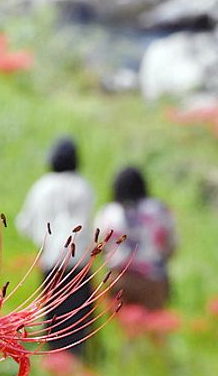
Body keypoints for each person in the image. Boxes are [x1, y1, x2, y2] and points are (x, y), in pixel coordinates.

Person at [16, 137, 96, 356]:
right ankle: (76, 364)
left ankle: (55, 365)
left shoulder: (41, 187)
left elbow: (24, 224)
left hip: (50, 263)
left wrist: (44, 240)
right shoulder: (83, 186)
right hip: (78, 266)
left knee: (53, 322)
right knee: (77, 323)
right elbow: (89, 228)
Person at [95, 166, 176, 311]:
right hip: (152, 282)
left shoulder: (108, 213)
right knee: (151, 329)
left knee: (120, 329)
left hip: (118, 280)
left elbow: (98, 248)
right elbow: (171, 246)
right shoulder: (159, 209)